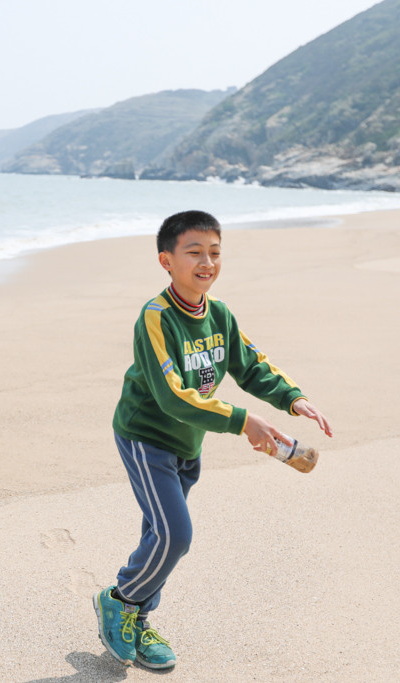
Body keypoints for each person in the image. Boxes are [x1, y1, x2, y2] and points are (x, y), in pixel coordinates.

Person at [93, 210, 333, 670]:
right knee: (175, 534)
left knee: (158, 534)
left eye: (215, 253)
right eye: (194, 252)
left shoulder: (218, 313)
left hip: (189, 442)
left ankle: (138, 620)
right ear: (166, 260)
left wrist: (291, 398)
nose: (207, 262)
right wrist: (244, 422)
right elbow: (172, 398)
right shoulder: (156, 318)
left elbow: (250, 365)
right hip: (147, 437)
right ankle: (119, 599)